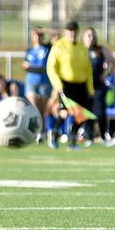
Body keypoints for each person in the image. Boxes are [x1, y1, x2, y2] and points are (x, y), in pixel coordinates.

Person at [45, 21, 93, 149]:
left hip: (81, 85)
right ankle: (54, 133)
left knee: (81, 114)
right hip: (65, 84)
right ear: (66, 32)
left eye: (74, 31)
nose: (72, 33)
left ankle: (72, 142)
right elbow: (51, 67)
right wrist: (57, 83)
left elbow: (88, 68)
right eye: (70, 31)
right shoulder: (59, 46)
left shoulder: (82, 47)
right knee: (66, 112)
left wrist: (90, 87)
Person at [83, 27, 115, 144]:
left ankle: (103, 135)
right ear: (83, 38)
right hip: (85, 86)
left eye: (93, 35)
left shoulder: (100, 50)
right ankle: (88, 136)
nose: (91, 38)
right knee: (86, 111)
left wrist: (106, 74)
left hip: (98, 85)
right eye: (88, 35)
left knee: (100, 111)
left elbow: (114, 62)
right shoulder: (80, 50)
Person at [23, 28, 51, 142]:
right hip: (31, 81)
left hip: (44, 82)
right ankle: (36, 131)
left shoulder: (48, 48)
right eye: (35, 35)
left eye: (40, 35)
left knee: (43, 110)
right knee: (35, 108)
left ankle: (43, 132)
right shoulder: (29, 50)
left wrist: (44, 29)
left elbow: (58, 34)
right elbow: (25, 65)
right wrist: (39, 68)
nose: (37, 37)